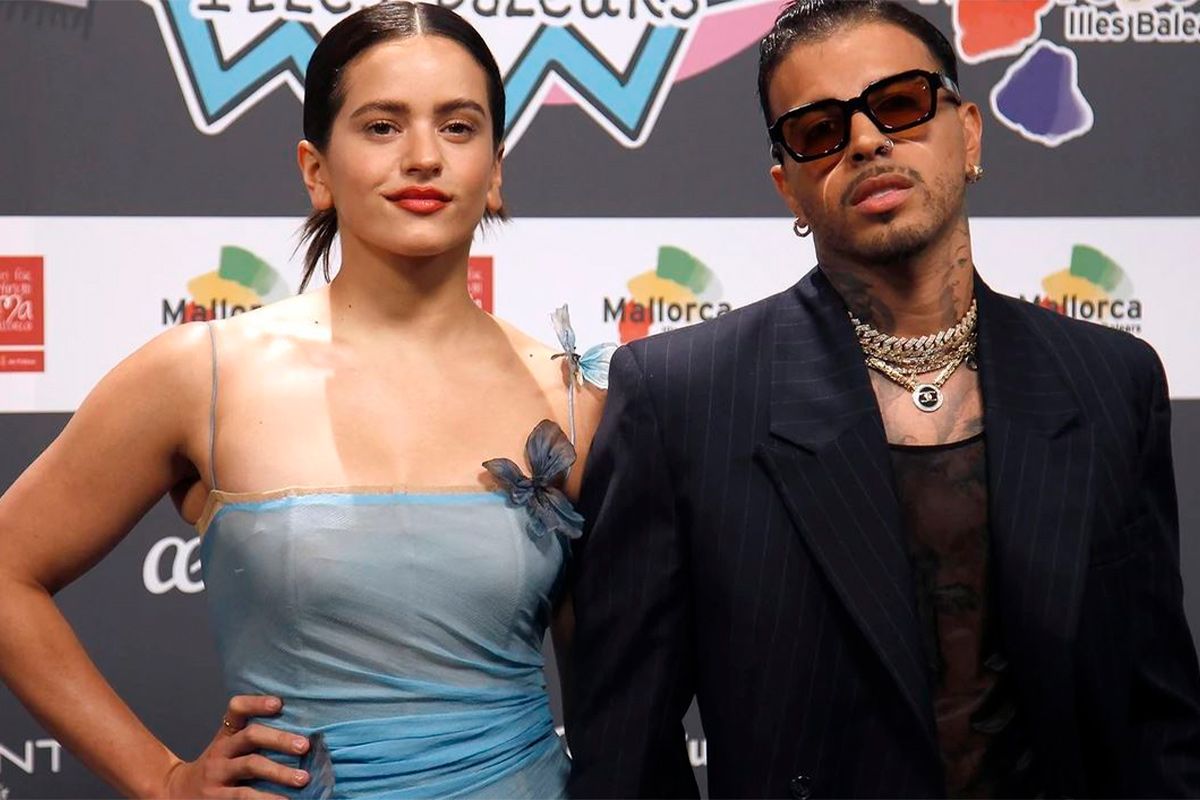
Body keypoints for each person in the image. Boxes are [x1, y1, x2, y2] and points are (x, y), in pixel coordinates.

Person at [566, 1, 1200, 797]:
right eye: (819, 130)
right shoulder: (682, 398)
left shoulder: (1111, 380)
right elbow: (625, 746)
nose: (866, 141)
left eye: (899, 103)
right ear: (788, 188)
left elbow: (1156, 718)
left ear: (969, 133)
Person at [0, 2, 606, 797]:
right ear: (315, 170)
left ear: (494, 170)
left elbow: (614, 693)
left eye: (458, 127)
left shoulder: (571, 398)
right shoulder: (201, 375)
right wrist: (164, 780)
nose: (424, 156)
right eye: (382, 126)